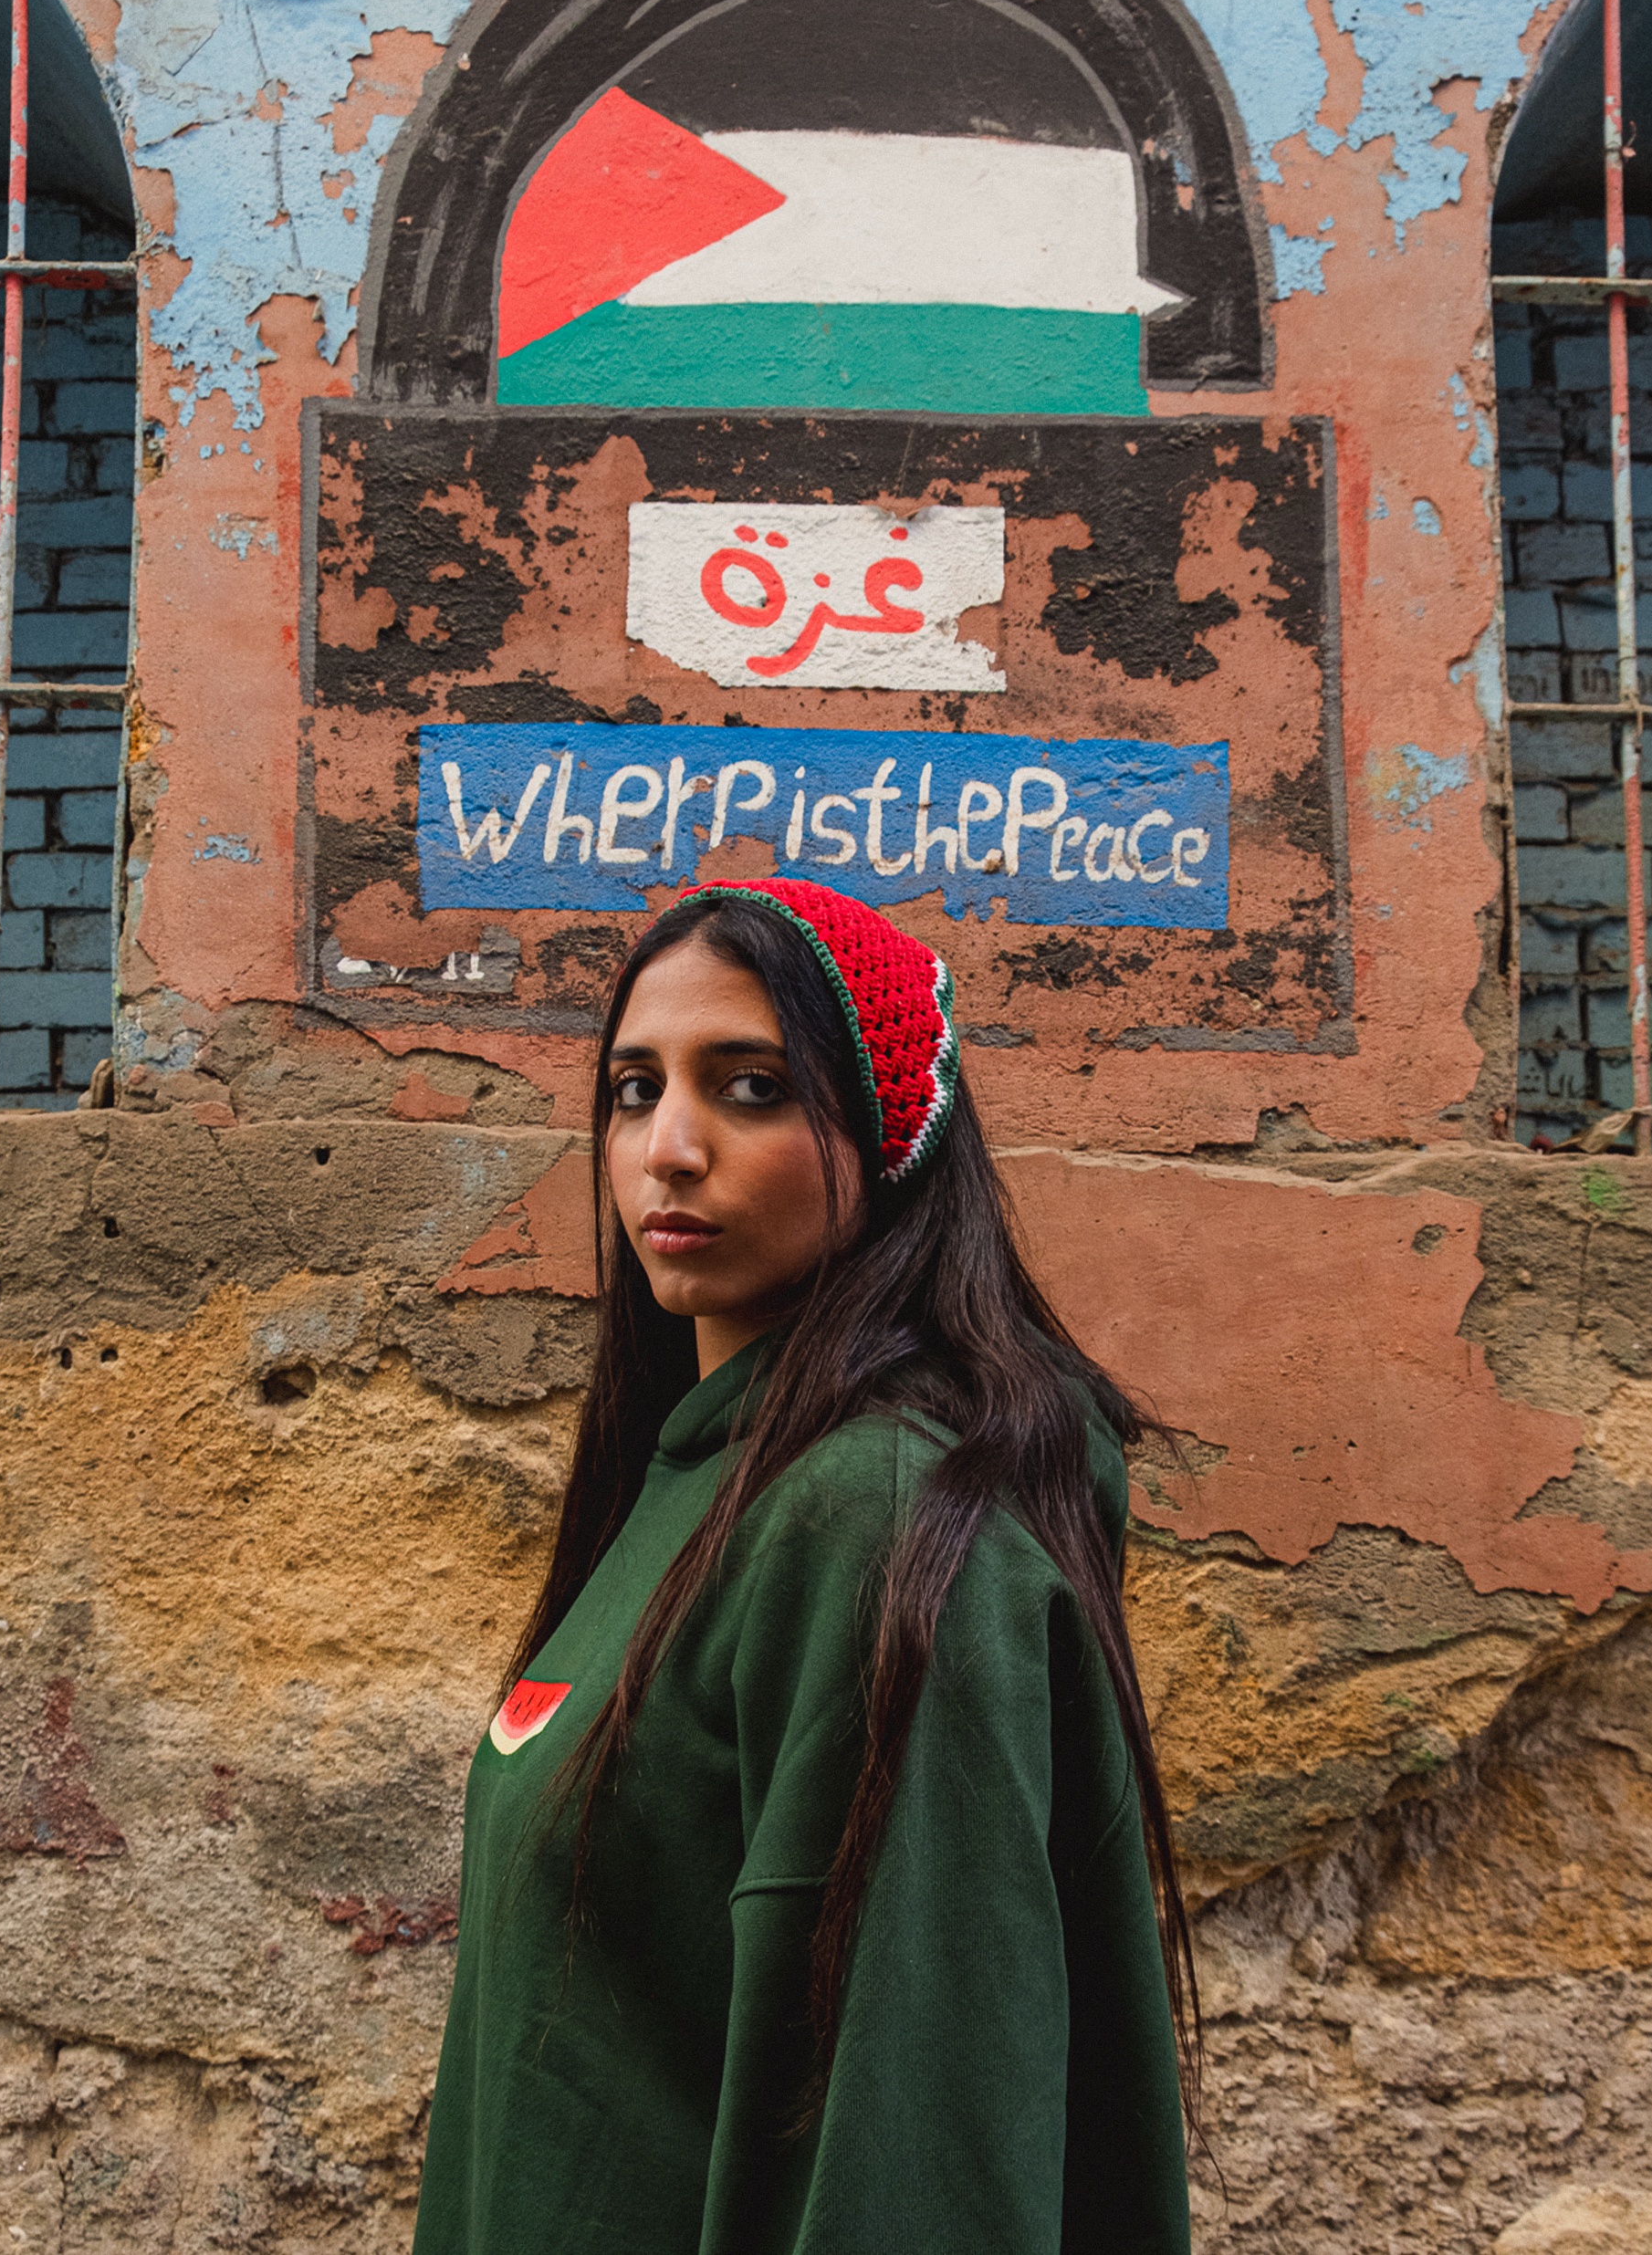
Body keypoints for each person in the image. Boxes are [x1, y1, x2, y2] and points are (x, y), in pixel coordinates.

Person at [413, 877, 1196, 2255]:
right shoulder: (700, 1477)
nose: (670, 1147)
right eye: (633, 1091)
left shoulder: (880, 1512)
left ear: (889, 1132)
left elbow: (920, 2133)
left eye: (753, 1087)